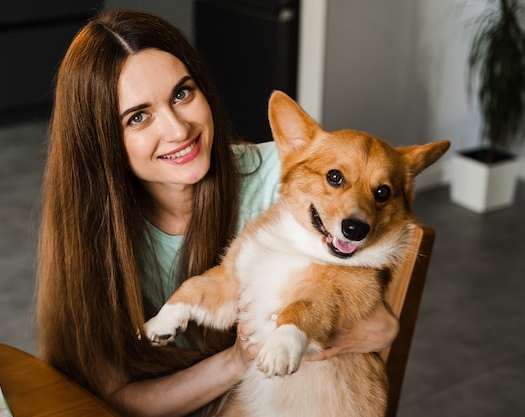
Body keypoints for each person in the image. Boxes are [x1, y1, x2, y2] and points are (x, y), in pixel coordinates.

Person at [35, 9, 399, 417]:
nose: (177, 129)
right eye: (138, 117)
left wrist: (369, 324)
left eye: (182, 94)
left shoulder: (293, 181)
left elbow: (377, 323)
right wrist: (237, 359)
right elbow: (119, 399)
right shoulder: (93, 234)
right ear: (99, 142)